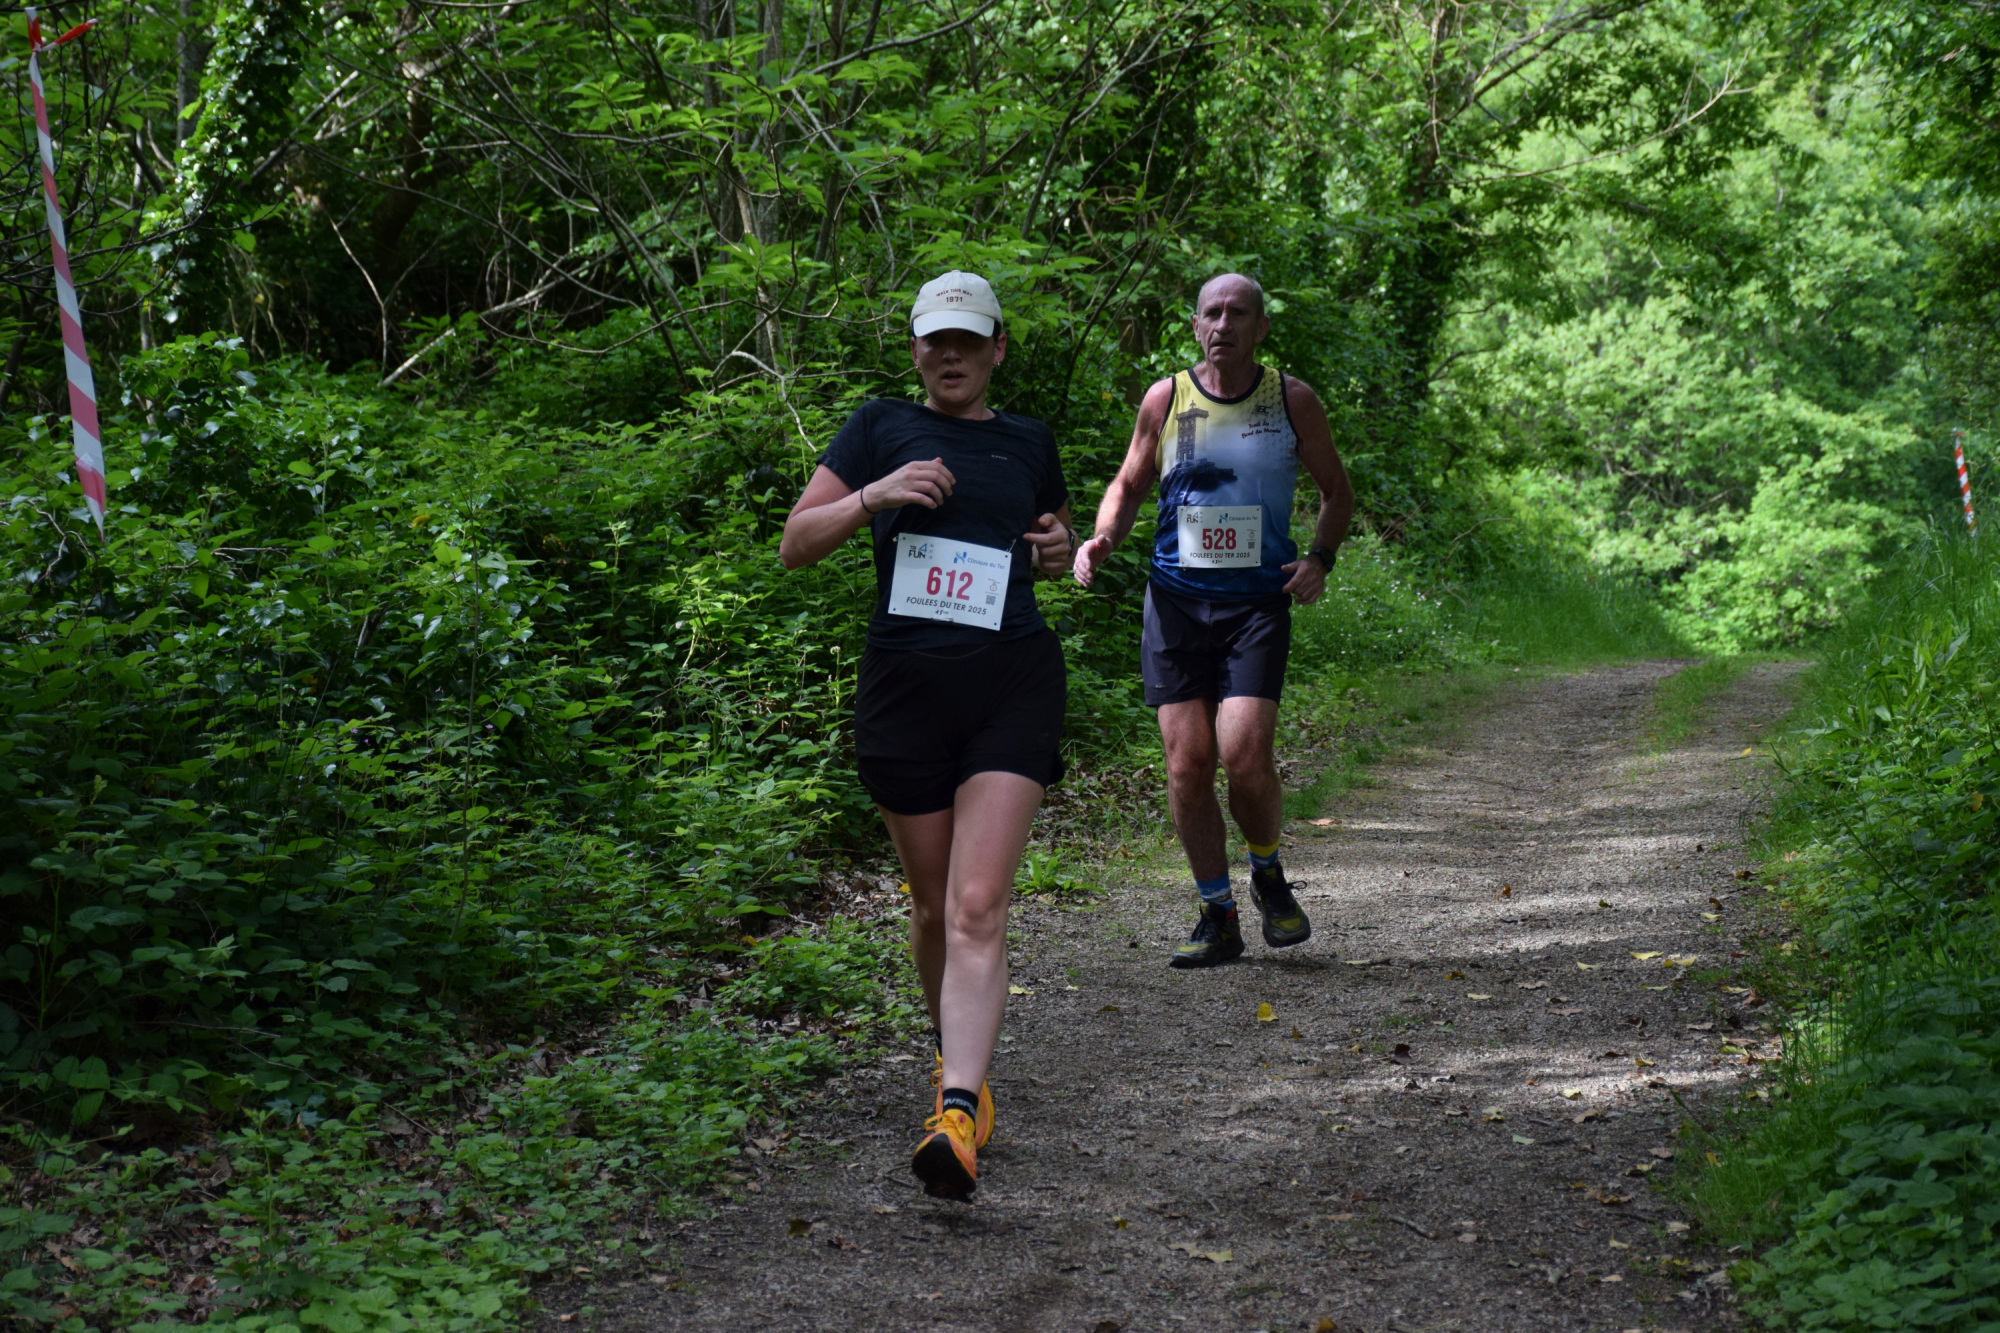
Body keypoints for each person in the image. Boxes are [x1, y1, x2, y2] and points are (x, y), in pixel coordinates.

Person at [779, 271, 1075, 1200]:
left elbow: (1053, 540)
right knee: (934, 907)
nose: (951, 355)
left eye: (968, 340)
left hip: (1011, 684)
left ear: (997, 350)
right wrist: (874, 495)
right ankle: (958, 1060)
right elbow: (795, 543)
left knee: (977, 904)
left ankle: (953, 1112)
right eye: (935, 339)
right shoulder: (878, 427)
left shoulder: (1028, 440)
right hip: (905, 694)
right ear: (914, 349)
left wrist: (1059, 551)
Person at [1072, 273, 1354, 968]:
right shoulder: (1166, 398)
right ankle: (1217, 914)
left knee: (1245, 755)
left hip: (1255, 605)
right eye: (1212, 313)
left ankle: (1266, 870)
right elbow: (1129, 482)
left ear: (1261, 328)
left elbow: (1336, 491)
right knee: (1187, 764)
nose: (1224, 324)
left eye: (1238, 313)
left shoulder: (1291, 400)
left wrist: (1319, 557)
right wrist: (1103, 537)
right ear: (1196, 325)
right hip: (1174, 601)